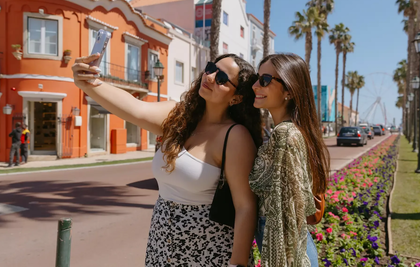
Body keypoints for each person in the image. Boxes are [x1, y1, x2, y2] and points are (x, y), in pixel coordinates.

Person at [72, 53, 262, 267]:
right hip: (161, 247)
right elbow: (135, 108)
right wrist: (89, 82)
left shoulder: (235, 136)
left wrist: (237, 264)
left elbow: (245, 206)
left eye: (221, 78)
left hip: (210, 252)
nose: (209, 77)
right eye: (210, 68)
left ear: (236, 98)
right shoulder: (179, 116)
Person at [249, 53, 330, 267]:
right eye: (256, 79)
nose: (255, 86)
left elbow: (283, 215)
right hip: (293, 250)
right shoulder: (292, 131)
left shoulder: (285, 134)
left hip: (288, 255)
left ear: (289, 90)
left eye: (265, 80)